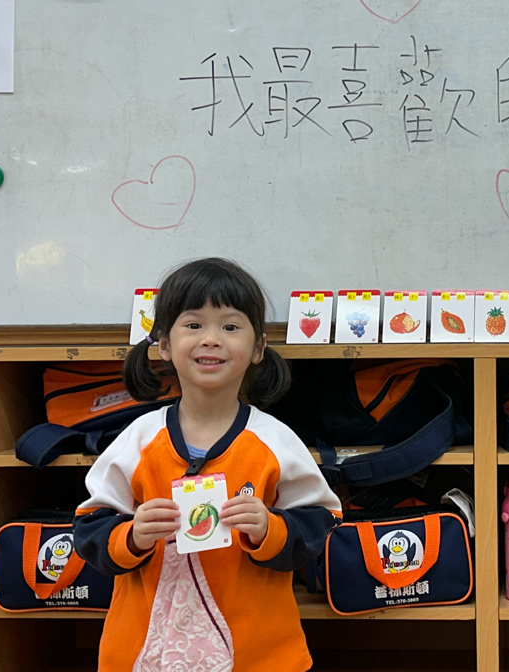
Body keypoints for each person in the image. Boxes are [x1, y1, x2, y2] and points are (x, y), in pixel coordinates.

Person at [74, 257, 341, 672]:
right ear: (163, 344)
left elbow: (322, 524)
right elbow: (89, 530)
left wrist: (270, 529)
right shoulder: (138, 440)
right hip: (146, 655)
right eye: (194, 325)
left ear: (258, 349)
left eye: (230, 327)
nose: (211, 339)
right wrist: (133, 536)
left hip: (257, 655)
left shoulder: (275, 442)